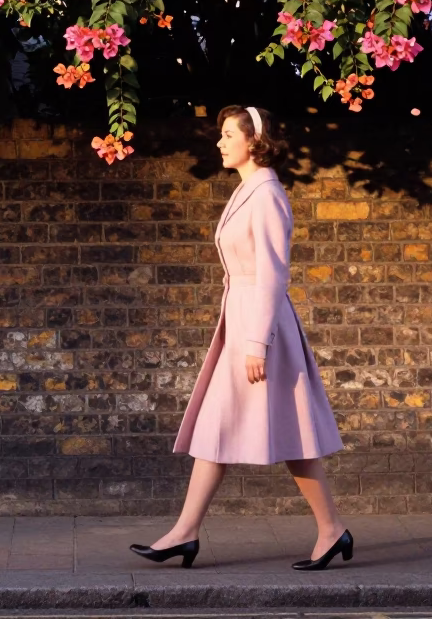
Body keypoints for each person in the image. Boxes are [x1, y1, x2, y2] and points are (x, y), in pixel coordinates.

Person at [129, 105, 352, 571]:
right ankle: (186, 532)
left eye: (228, 134)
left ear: (254, 141)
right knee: (218, 427)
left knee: (288, 435)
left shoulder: (267, 194)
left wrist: (256, 342)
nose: (220, 142)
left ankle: (330, 531)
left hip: (261, 329)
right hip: (244, 322)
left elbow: (273, 273)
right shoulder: (248, 190)